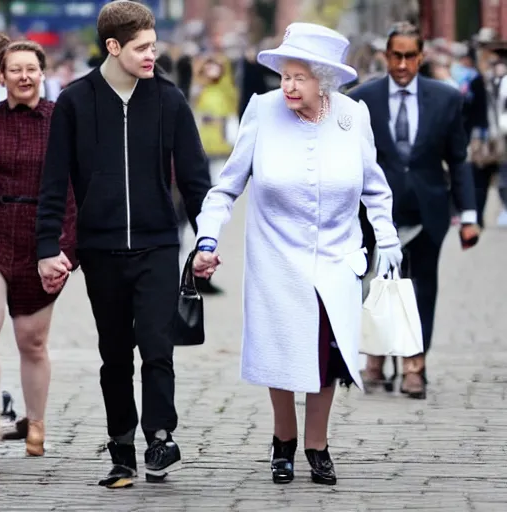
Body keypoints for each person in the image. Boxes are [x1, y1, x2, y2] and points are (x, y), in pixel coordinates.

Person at [192, 23, 402, 486]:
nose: (287, 86)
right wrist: (207, 239)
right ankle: (283, 439)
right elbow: (225, 188)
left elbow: (375, 187)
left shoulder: (353, 116)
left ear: (323, 79)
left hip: (337, 257)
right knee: (282, 351)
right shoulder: (262, 111)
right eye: (284, 76)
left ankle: (317, 444)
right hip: (276, 259)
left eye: (298, 77)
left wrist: (386, 238)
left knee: (327, 355)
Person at [36, 1, 211, 488]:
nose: (152, 54)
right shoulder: (74, 102)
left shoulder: (170, 100)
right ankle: (122, 449)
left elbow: (197, 180)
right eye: (142, 48)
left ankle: (159, 437)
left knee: (158, 345)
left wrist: (206, 239)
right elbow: (55, 184)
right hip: (101, 248)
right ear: (113, 47)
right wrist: (48, 246)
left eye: (154, 45)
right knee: (115, 354)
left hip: (158, 244)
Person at [349, 22, 479, 399]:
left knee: (422, 286)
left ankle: (414, 364)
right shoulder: (362, 99)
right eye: (395, 55)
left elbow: (458, 159)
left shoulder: (446, 99)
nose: (402, 63)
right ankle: (374, 357)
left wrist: (468, 216)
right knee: (373, 282)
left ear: (421, 58)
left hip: (428, 209)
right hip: (372, 211)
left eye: (409, 56)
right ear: (385, 56)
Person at [0, 40, 77, 452]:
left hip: (43, 239)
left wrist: (66, 247)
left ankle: (36, 425)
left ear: (43, 74)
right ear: (1, 76)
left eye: (32, 69)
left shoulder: (60, 121)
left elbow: (74, 189)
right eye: (15, 69)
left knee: (32, 341)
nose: (24, 76)